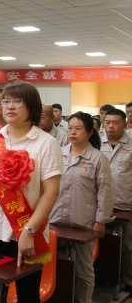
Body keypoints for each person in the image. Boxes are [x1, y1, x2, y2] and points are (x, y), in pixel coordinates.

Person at [0, 81, 62, 303]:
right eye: (6, 101)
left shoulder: (46, 143)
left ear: (32, 106)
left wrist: (29, 230)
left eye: (18, 101)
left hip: (25, 232)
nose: (9, 106)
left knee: (27, 296)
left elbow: (51, 192)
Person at [50, 112, 114, 303]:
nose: (72, 132)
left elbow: (105, 192)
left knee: (83, 270)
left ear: (90, 132)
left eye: (78, 129)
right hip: (56, 219)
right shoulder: (58, 153)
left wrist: (100, 221)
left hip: (84, 223)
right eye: (70, 128)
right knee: (55, 265)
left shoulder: (98, 159)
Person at [99, 108, 132, 292]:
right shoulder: (97, 143)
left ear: (125, 125)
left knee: (127, 246)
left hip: (126, 203)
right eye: (107, 122)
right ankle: (104, 276)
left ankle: (127, 279)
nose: (110, 126)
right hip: (102, 203)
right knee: (104, 242)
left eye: (115, 123)